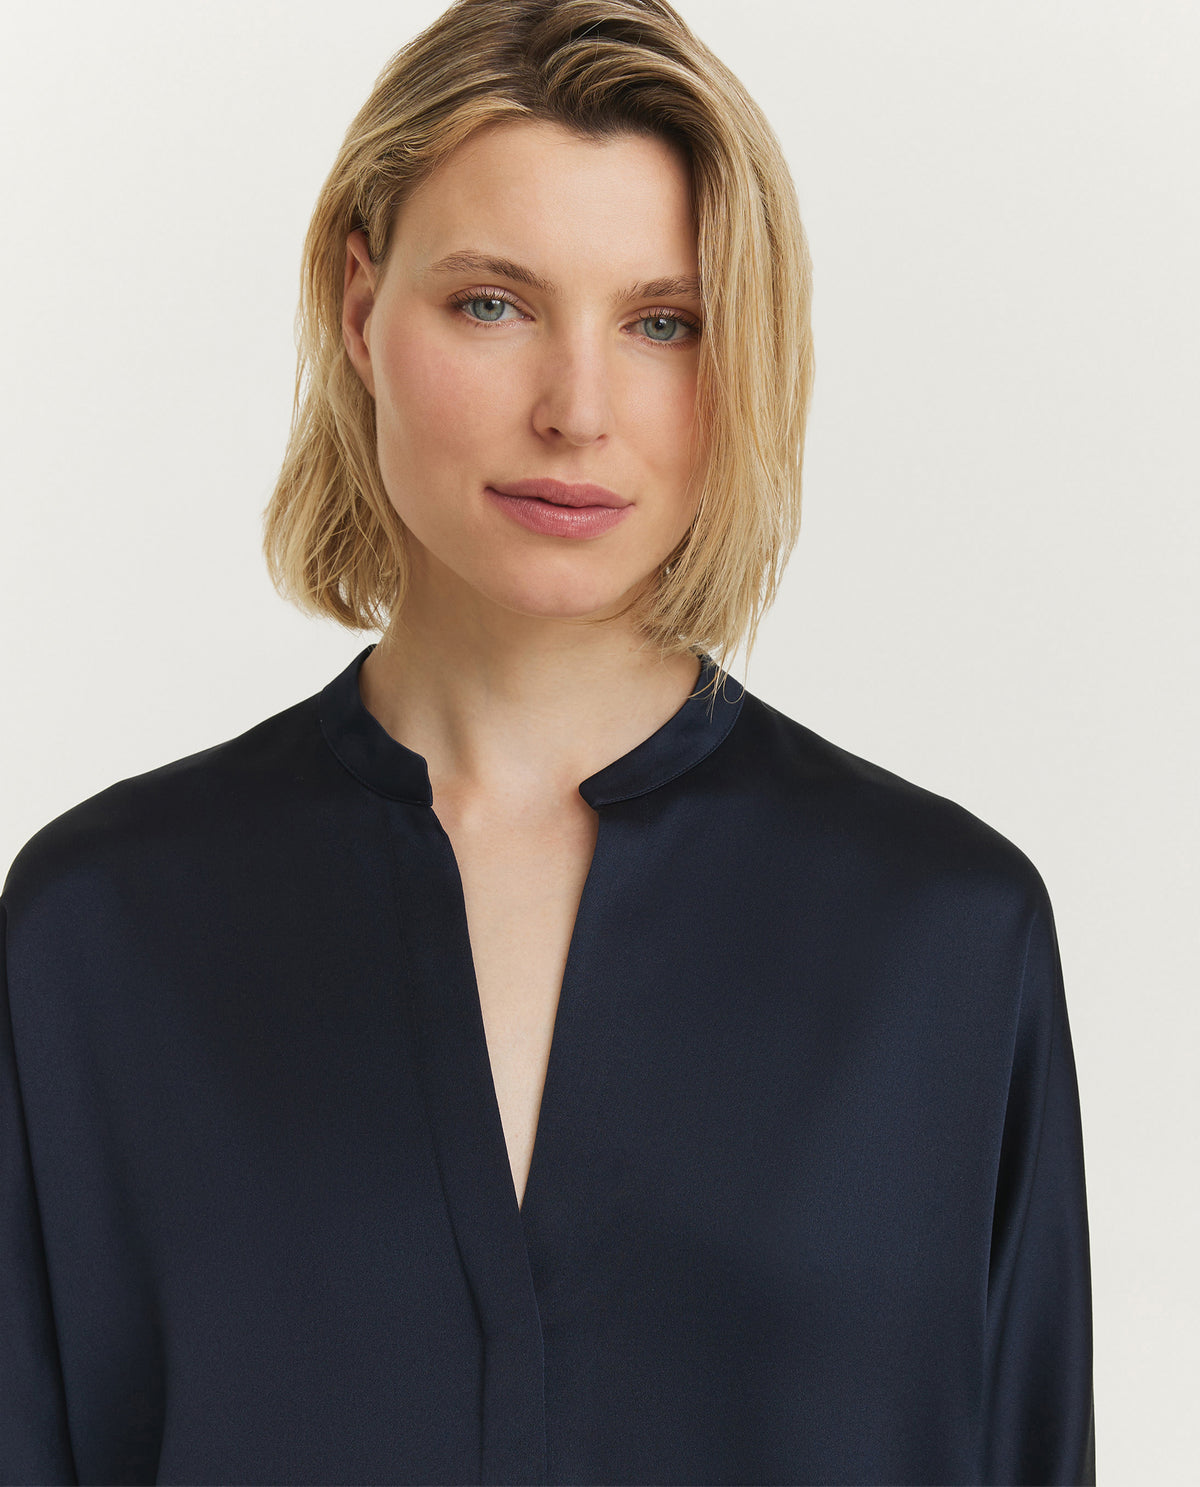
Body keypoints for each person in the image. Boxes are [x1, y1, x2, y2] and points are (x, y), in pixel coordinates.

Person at [0, 0, 1094, 1482]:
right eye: (492, 305)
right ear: (359, 309)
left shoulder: (946, 937)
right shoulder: (101, 932)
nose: (578, 410)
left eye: (663, 323)